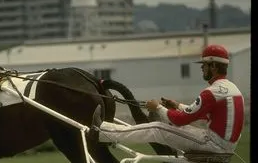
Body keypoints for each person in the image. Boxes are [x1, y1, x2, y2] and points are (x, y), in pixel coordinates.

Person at [89, 44, 244, 154]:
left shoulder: (212, 92)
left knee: (157, 128)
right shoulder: (232, 89)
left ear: (214, 67)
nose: (201, 68)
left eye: (204, 65)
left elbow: (181, 120)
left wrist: (158, 108)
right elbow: (199, 113)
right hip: (226, 144)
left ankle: (103, 132)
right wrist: (177, 105)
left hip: (213, 144)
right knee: (165, 126)